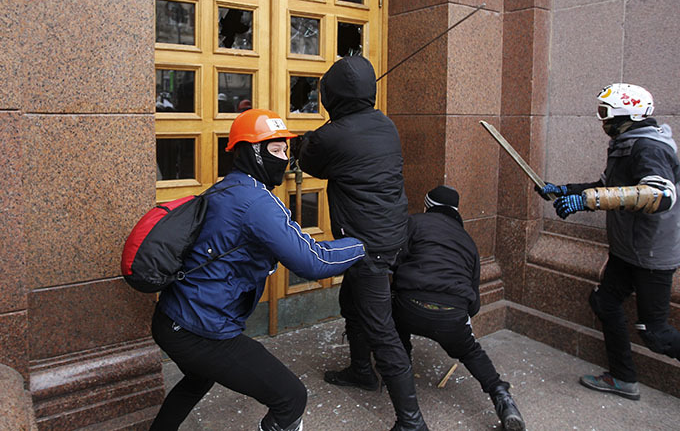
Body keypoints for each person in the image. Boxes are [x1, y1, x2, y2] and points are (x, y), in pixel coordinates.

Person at [150, 109, 366, 431]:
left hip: (172, 319)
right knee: (291, 398)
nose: (283, 158)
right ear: (252, 152)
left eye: (285, 150)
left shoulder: (227, 188)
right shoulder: (256, 202)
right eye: (275, 150)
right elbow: (313, 260)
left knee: (197, 381)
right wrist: (362, 245)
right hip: (201, 330)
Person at [297, 56, 427, 430]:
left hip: (366, 245)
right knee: (351, 304)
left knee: (381, 330)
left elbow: (310, 160)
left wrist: (314, 134)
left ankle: (412, 421)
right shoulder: (385, 125)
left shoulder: (332, 135)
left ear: (331, 95)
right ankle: (360, 371)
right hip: (390, 235)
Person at [536, 83, 680, 400]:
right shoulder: (625, 144)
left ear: (626, 115)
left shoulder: (649, 148)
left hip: (651, 254)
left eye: (605, 113)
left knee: (656, 333)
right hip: (627, 250)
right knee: (604, 302)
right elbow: (606, 186)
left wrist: (586, 201)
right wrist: (566, 190)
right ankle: (623, 378)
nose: (601, 120)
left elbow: (660, 195)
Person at [392, 185, 526, 431]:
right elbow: (473, 302)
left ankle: (403, 373)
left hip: (410, 305)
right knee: (471, 351)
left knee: (394, 320)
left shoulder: (414, 222)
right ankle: (501, 395)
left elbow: (394, 261)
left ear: (427, 206)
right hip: (452, 315)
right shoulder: (469, 243)